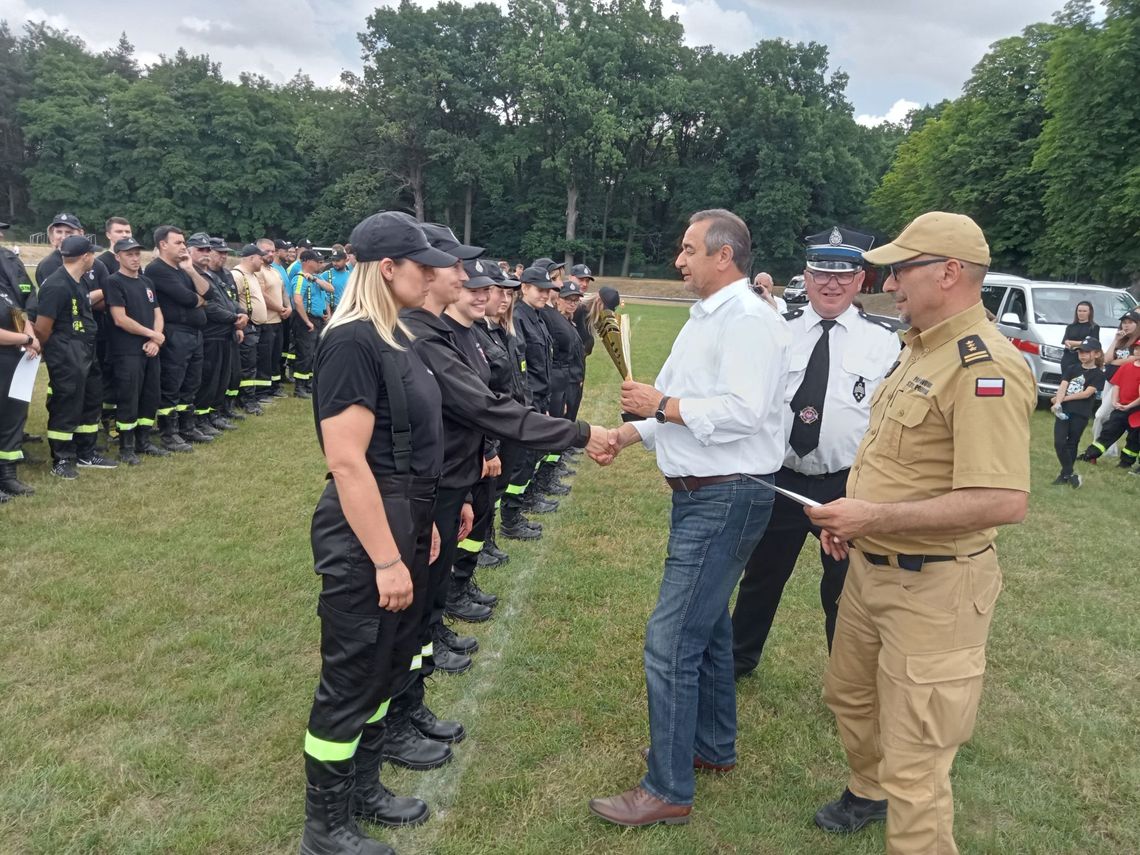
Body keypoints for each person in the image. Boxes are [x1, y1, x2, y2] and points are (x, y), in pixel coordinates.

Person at [803, 212, 1033, 854]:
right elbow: (898, 463)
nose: (890, 282)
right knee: (848, 695)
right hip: (871, 572)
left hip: (935, 592)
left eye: (903, 269)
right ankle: (867, 790)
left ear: (951, 273)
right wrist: (855, 521)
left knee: (918, 766)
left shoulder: (983, 367)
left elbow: (1002, 499)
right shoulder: (917, 347)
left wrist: (872, 518)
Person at [391, 221, 616, 774]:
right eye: (459, 272)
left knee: (427, 603)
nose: (474, 283)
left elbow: (492, 400)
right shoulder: (417, 337)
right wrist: (581, 434)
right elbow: (488, 408)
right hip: (422, 492)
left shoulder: (447, 334)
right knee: (407, 616)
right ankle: (396, 717)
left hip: (447, 484)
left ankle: (410, 704)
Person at [589, 208, 789, 827]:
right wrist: (628, 432)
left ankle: (667, 788)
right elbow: (672, 405)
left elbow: (743, 411)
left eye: (687, 249)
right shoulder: (709, 319)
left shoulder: (750, 321)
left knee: (671, 640)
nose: (678, 260)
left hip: (726, 494)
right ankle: (712, 746)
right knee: (710, 630)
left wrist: (663, 403)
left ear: (723, 256)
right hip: (704, 493)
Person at [299, 211, 457, 855]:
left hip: (404, 521)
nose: (434, 274)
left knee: (387, 662)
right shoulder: (352, 342)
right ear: (387, 269)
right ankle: (325, 826)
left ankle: (363, 788)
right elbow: (347, 462)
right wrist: (388, 559)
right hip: (366, 533)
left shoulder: (396, 337)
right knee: (353, 674)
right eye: (421, 265)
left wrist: (424, 529)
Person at [732, 226, 900, 680]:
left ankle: (847, 676)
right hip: (779, 477)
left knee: (844, 585)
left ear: (860, 280)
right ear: (805, 278)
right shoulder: (777, 331)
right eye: (821, 274)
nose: (831, 284)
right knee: (762, 577)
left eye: (842, 277)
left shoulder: (885, 342)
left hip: (844, 483)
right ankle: (738, 659)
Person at [33, 235, 118, 476]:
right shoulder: (56, 285)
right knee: (66, 404)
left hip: (86, 350)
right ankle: (61, 459)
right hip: (66, 353)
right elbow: (42, 328)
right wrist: (55, 353)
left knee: (91, 401)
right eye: (92, 254)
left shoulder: (79, 281)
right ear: (85, 256)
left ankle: (86, 453)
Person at [104, 237, 167, 465]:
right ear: (117, 256)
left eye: (137, 253)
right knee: (129, 397)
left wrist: (156, 340)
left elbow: (157, 313)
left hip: (151, 349)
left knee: (150, 396)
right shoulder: (114, 281)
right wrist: (151, 335)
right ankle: (126, 447)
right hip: (127, 351)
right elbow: (120, 319)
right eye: (129, 254)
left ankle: (144, 441)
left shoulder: (147, 282)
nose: (134, 258)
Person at [146, 225, 210, 451]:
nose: (184, 246)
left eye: (184, 242)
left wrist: (191, 271)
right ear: (163, 244)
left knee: (191, 382)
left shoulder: (183, 269)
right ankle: (168, 432)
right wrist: (199, 298)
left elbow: (207, 292)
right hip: (174, 334)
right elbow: (190, 299)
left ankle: (186, 426)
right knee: (172, 382)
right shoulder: (157, 269)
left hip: (194, 333)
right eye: (179, 243)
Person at [0, 219, 39, 498]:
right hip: (7, 351)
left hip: (15, 359)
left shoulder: (6, 280)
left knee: (13, 414)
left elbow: (19, 311)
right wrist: (26, 340)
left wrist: (30, 333)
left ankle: (8, 474)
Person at [1078, 339, 1140, 470]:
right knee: (1108, 431)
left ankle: (1126, 462)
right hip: (1120, 407)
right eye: (1136, 348)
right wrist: (1114, 402)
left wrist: (1129, 406)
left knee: (1134, 438)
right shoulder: (1126, 367)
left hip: (1136, 410)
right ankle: (1090, 455)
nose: (1137, 351)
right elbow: (1117, 384)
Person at [1051, 337, 1104, 487]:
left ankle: (1064, 475)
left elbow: (1086, 393)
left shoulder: (1098, 374)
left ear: (1097, 354)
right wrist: (1059, 402)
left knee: (1072, 443)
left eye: (1086, 352)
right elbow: (1062, 386)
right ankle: (1069, 473)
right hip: (1064, 411)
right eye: (1080, 352)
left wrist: (1063, 399)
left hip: (1080, 413)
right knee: (1059, 442)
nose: (1082, 355)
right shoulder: (1072, 368)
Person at [229, 245, 270, 415]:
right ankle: (246, 400)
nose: (263, 260)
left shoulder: (252, 275)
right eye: (260, 257)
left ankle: (249, 397)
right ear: (251, 258)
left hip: (256, 327)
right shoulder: (237, 275)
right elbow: (231, 302)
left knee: (252, 364)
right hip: (246, 327)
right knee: (247, 366)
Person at [291, 249, 332, 400]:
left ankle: (308, 383)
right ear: (307, 262)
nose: (320, 264)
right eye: (317, 261)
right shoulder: (300, 278)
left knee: (314, 353)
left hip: (318, 319)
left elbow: (330, 289)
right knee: (305, 353)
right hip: (306, 319)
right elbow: (297, 300)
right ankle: (299, 387)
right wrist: (307, 321)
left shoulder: (316, 277)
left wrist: (315, 280)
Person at [257, 238, 291, 399]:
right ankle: (262, 392)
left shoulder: (275, 271)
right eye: (266, 251)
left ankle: (274, 386)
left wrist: (288, 307)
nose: (270, 254)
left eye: (272, 251)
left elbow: (284, 290)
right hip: (267, 321)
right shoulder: (258, 271)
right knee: (265, 357)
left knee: (276, 356)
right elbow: (261, 294)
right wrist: (280, 308)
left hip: (279, 320)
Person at [1060, 300, 1099, 377]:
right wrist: (1080, 342)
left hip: (1084, 360)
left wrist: (1072, 343)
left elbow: (1092, 343)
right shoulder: (1070, 327)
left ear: (1089, 312)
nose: (1081, 313)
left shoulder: (1094, 327)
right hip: (1068, 358)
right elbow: (1065, 342)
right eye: (1079, 311)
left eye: (1084, 311)